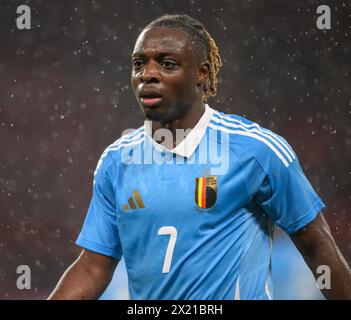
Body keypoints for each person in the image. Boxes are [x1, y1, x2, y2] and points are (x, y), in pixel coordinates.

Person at [48, 14, 351, 300]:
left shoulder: (256, 150)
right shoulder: (116, 161)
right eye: (139, 63)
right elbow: (94, 265)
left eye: (167, 64)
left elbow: (315, 243)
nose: (147, 74)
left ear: (201, 73)